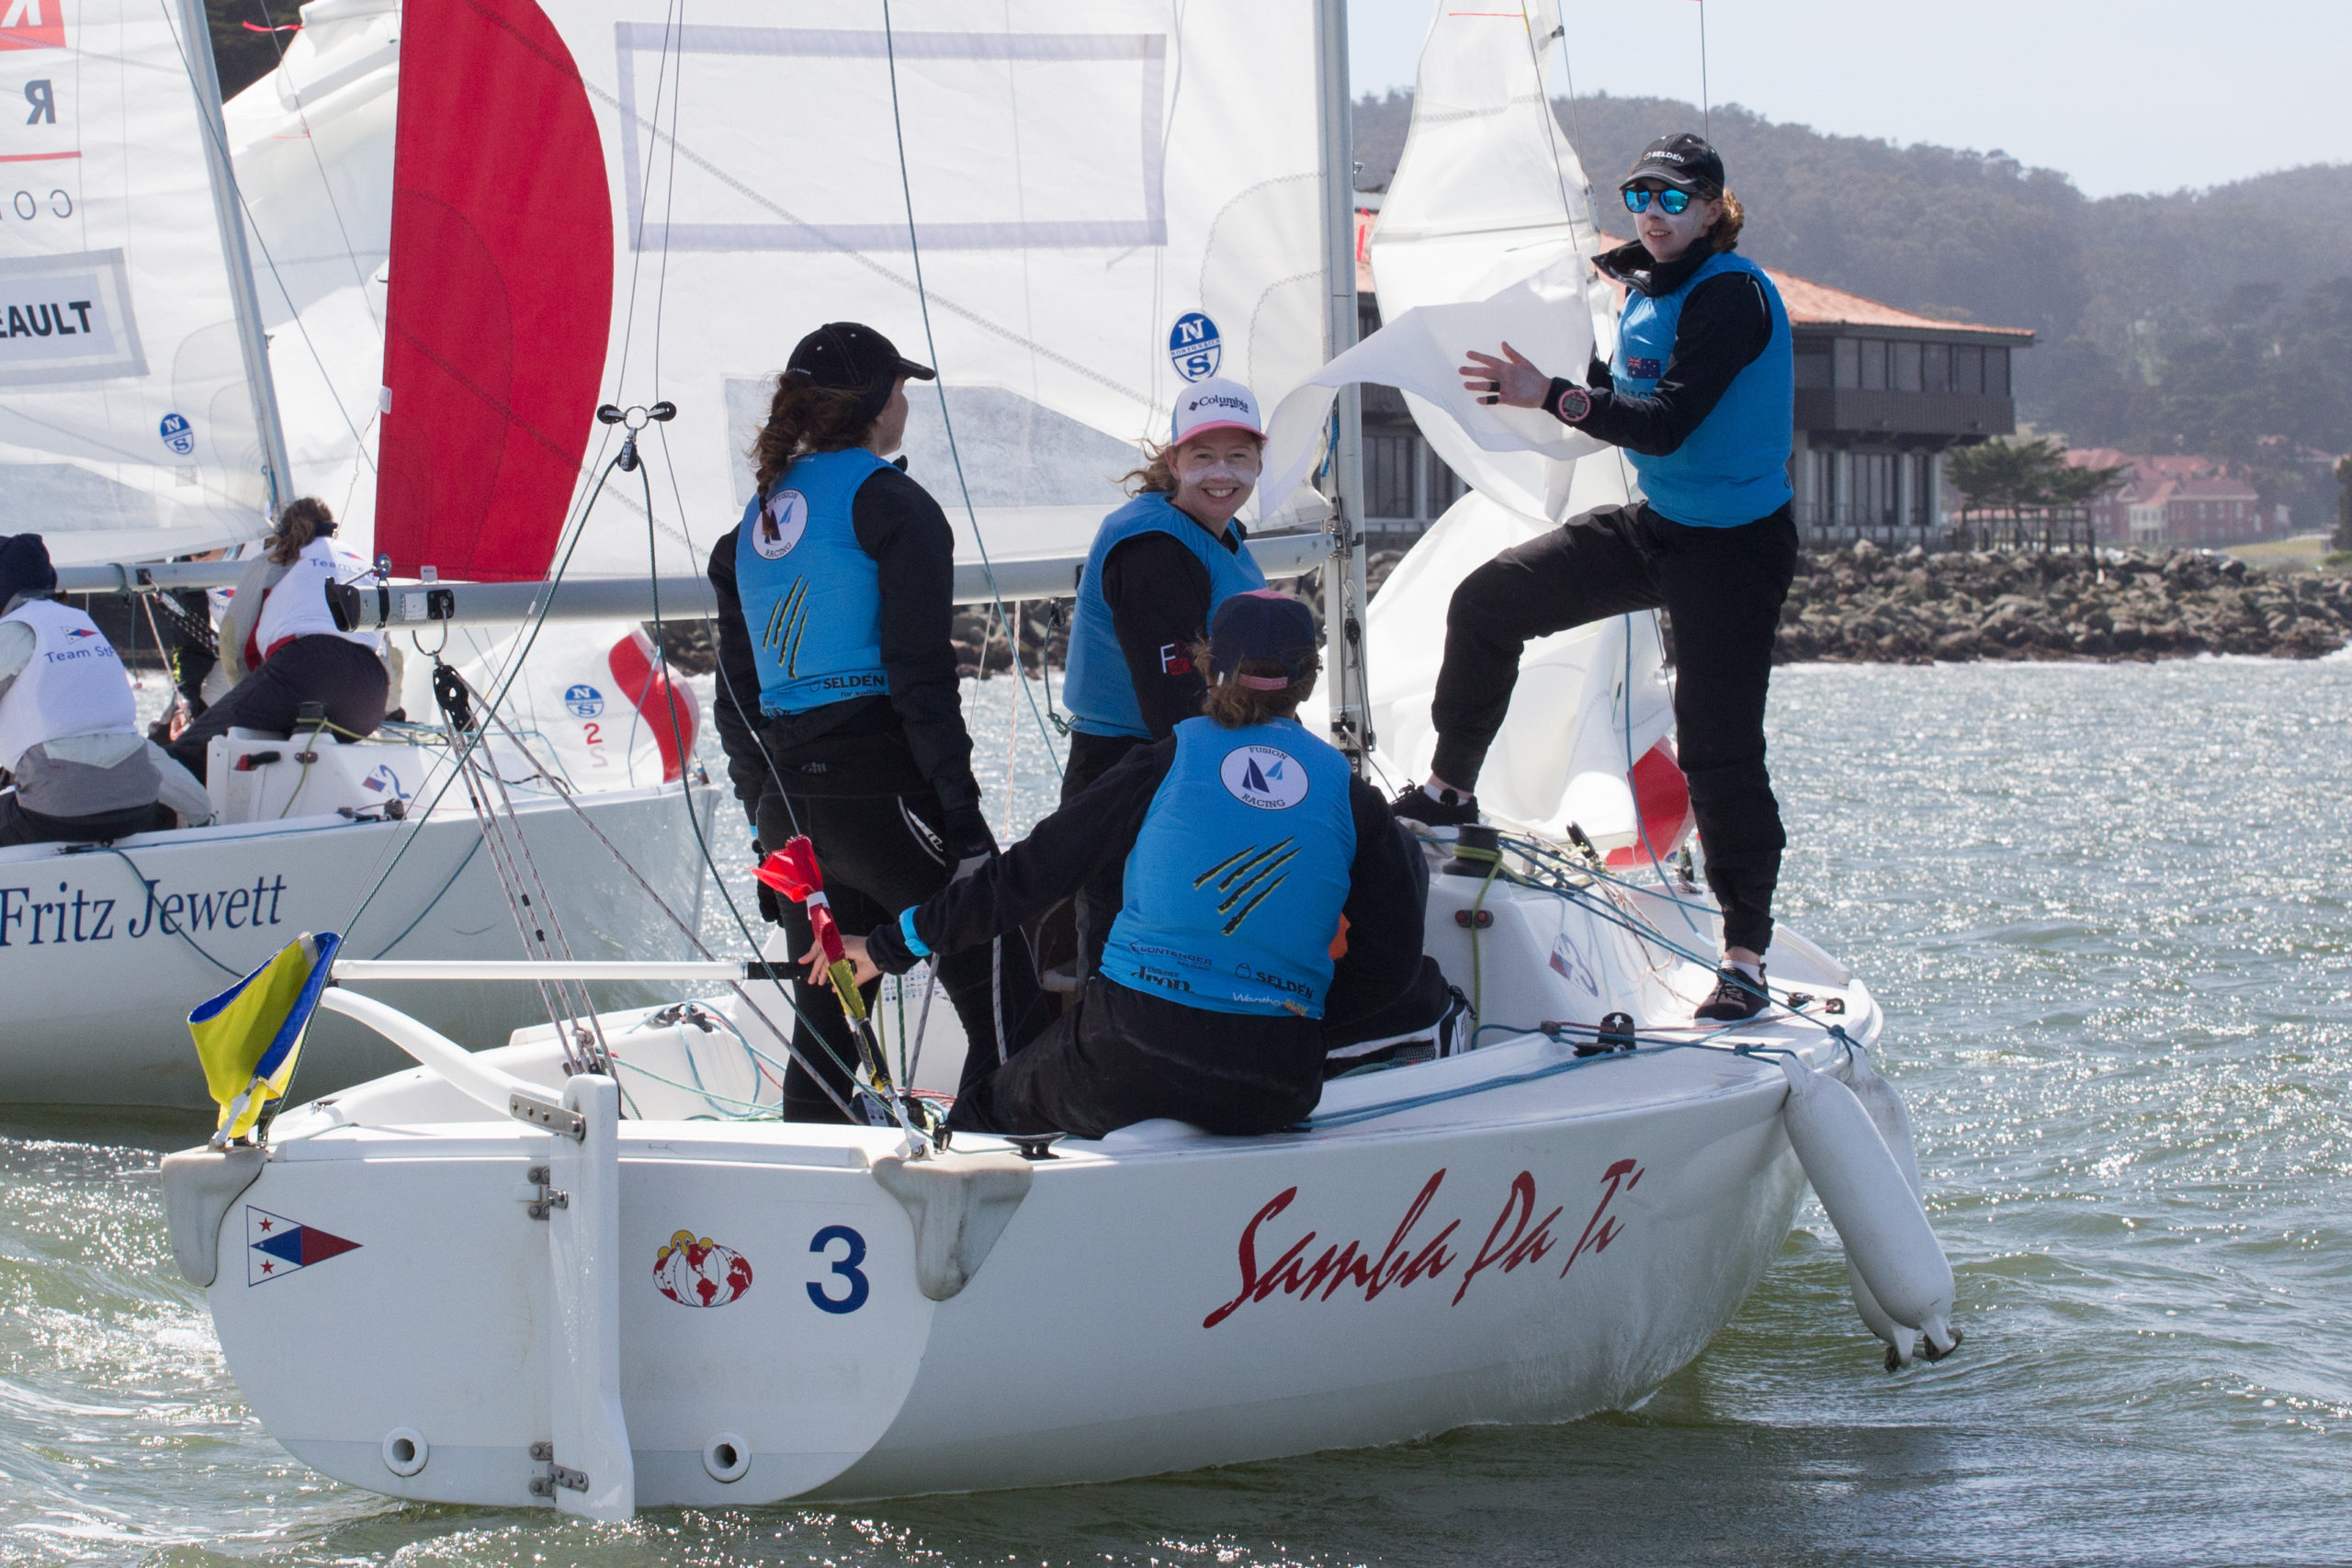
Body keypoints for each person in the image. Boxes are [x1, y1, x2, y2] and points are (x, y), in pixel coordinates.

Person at [1399, 131, 1797, 1023]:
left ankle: (1743, 956)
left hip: (1736, 550)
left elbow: (1663, 424)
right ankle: (1448, 793)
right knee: (1490, 600)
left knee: (1716, 744)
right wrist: (1541, 362)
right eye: (1638, 197)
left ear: (1711, 208)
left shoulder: (1731, 293)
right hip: (1661, 527)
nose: (1652, 216)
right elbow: (1608, 389)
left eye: (1672, 199)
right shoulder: (1641, 290)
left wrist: (1549, 393)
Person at [836, 592, 1434, 1140]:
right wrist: (1301, 1026)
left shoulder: (1165, 761)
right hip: (1276, 1078)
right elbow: (1393, 960)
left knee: (984, 1109)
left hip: (1131, 1047)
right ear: (1304, 679)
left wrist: (890, 944)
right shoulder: (1350, 794)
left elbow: (1029, 875)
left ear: (1208, 665)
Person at [708, 321, 1049, 1122]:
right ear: (872, 403)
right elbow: (922, 682)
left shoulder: (746, 534)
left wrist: (768, 838)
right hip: (886, 796)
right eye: (901, 389)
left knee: (824, 1031)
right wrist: (964, 829)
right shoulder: (894, 505)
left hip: (792, 810)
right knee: (1004, 1001)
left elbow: (737, 705)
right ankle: (987, 1181)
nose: (906, 403)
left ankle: (815, 1197)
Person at [1054, 378, 1272, 973]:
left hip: (1183, 760)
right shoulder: (1152, 550)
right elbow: (1174, 704)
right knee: (1124, 958)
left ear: (1259, 460)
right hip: (1134, 770)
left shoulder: (1216, 531)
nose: (1220, 473)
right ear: (1174, 460)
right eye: (1202, 456)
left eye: (1238, 456)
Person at [0, 534, 210, 846]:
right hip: (135, 811)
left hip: (55, 812)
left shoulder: (15, 631)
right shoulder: (82, 626)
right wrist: (201, 816)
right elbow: (123, 741)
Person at [168, 498, 389, 783]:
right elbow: (385, 647)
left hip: (303, 669)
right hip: (369, 697)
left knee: (194, 748)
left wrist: (248, 695)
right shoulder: (358, 560)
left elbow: (234, 639)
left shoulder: (274, 559)